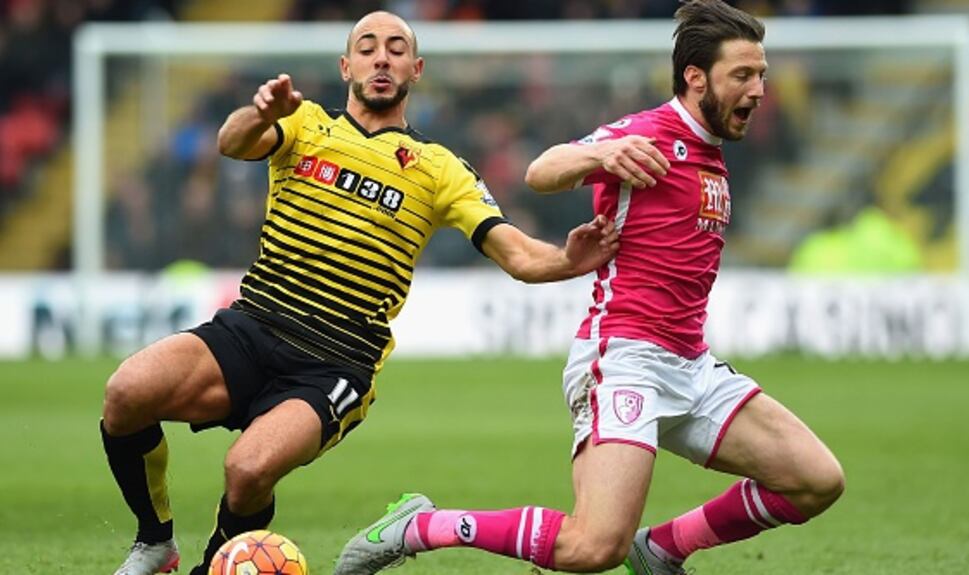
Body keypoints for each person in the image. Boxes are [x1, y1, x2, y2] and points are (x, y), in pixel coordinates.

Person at [100, 11, 620, 575]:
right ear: (346, 66)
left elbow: (517, 254)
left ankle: (215, 567)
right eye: (368, 47)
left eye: (397, 49)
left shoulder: (440, 168)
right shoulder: (303, 125)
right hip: (253, 326)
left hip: (334, 363)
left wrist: (571, 260)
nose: (382, 57)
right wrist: (260, 112)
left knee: (247, 470)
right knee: (126, 393)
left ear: (415, 70)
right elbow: (231, 143)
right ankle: (155, 542)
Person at [336, 2, 845, 574]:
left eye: (761, 76)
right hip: (625, 359)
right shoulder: (648, 132)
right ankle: (420, 526)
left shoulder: (711, 155)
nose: (757, 91)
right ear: (695, 78)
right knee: (592, 547)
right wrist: (601, 153)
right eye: (743, 76)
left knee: (816, 480)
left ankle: (661, 550)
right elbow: (542, 170)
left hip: (691, 365)